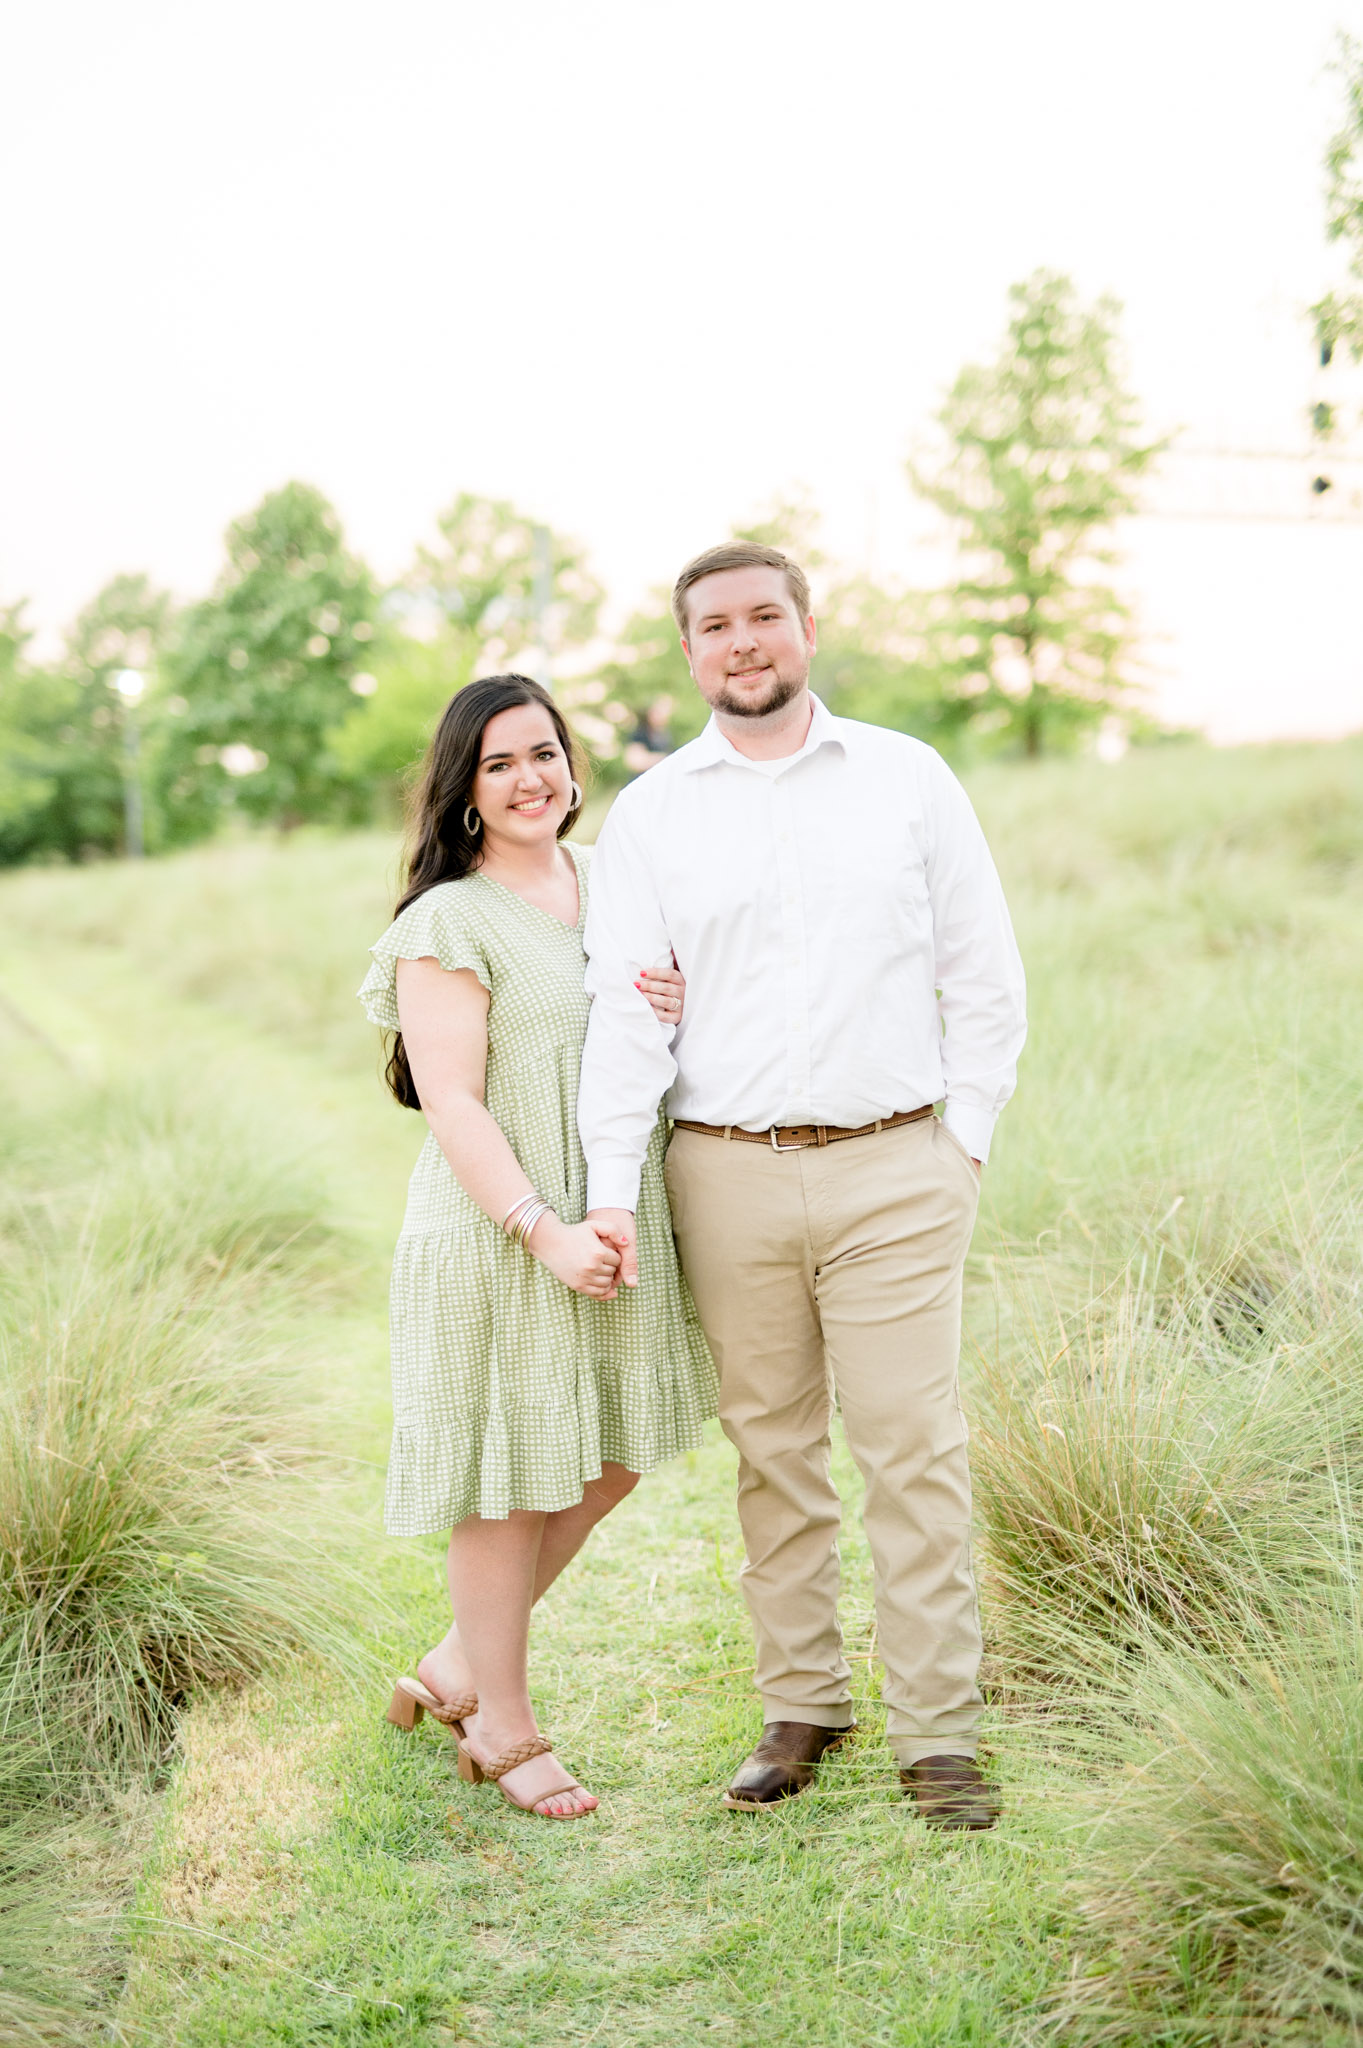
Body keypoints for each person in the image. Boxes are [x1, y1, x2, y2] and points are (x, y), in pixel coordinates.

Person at [578, 544, 1026, 1831]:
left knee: (911, 1451)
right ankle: (803, 1705)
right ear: (689, 653)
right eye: (713, 625)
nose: (742, 641)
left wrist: (965, 1141)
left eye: (763, 615)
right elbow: (626, 1016)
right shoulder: (654, 815)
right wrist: (617, 1184)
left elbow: (984, 972)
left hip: (897, 1165)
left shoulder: (907, 778)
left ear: (807, 628)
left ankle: (939, 1731)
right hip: (725, 1171)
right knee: (772, 1456)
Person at [359, 674, 716, 1821]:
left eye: (546, 752)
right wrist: (540, 1229)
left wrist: (673, 991)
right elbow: (453, 1101)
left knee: (614, 1446)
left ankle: (460, 1661)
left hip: (612, 1209)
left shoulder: (612, 876)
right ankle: (501, 1728)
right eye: (502, 761)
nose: (532, 778)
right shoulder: (447, 921)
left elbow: (660, 1018)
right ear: (466, 786)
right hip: (503, 1226)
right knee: (507, 1481)